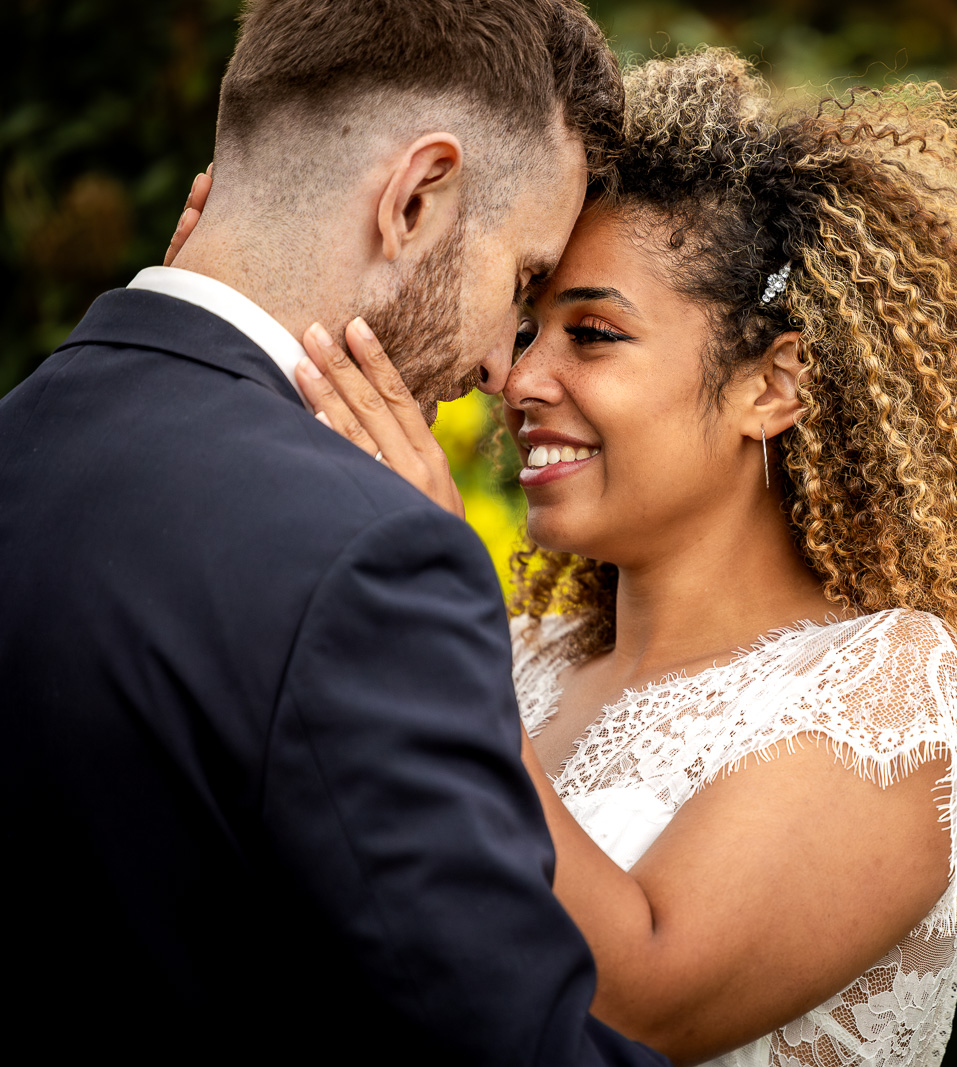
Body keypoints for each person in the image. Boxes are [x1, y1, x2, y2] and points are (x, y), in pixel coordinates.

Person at [296, 50, 957, 1066]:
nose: (519, 377)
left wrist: (434, 615)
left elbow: (642, 1003)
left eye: (595, 333)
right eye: (529, 328)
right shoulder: (518, 654)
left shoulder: (888, 689)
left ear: (771, 387)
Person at [0, 2, 665, 1063]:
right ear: (415, 199)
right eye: (523, 283)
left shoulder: (22, 437)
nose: (504, 363)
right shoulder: (369, 557)